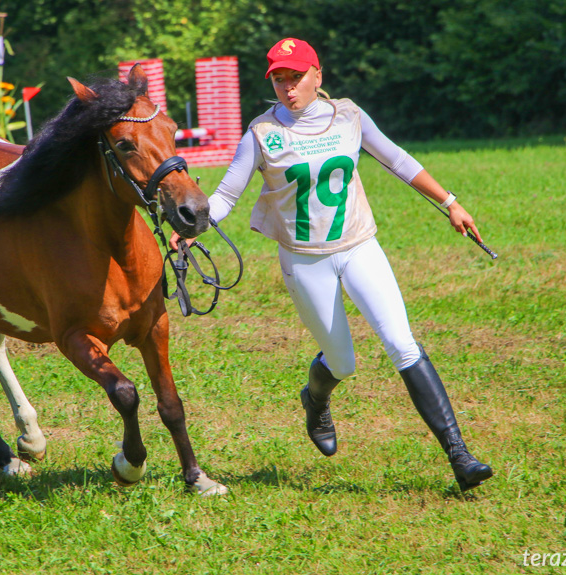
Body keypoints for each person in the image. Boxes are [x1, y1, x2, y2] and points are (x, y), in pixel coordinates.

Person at [171, 38, 493, 491]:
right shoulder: (261, 133)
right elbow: (225, 197)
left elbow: (396, 158)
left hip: (359, 246)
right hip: (306, 264)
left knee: (402, 344)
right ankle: (315, 399)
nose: (288, 88)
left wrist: (451, 202)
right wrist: (190, 229)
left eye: (296, 77)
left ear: (317, 75)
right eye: (279, 80)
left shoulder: (348, 115)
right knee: (342, 362)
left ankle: (460, 456)